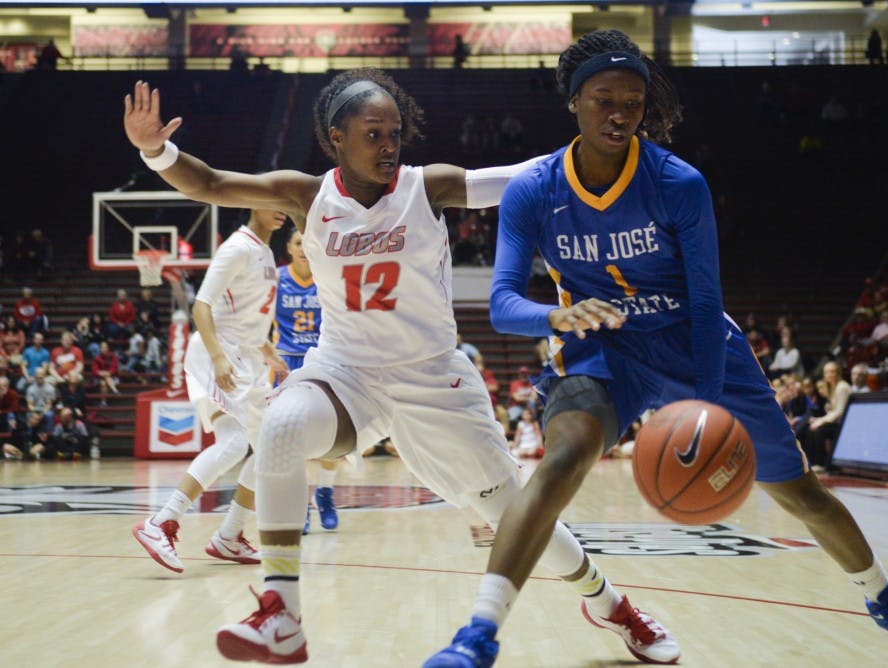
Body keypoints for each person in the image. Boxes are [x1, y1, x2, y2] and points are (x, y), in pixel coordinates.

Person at [123, 70, 673, 666]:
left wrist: (596, 146)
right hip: (346, 371)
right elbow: (209, 183)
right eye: (373, 134)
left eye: (395, 133)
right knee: (279, 427)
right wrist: (155, 149)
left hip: (432, 376)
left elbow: (519, 177)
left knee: (513, 511)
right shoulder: (307, 195)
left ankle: (609, 603)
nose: (389, 146)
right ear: (337, 138)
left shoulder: (425, 187)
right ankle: (281, 613)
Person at [474, 28, 888, 666]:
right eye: (604, 98)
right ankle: (480, 632)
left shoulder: (678, 182)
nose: (621, 112)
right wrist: (559, 317)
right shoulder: (533, 189)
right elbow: (503, 307)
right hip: (605, 351)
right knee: (561, 461)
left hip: (697, 343)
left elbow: (707, 304)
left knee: (800, 493)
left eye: (633, 99)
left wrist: (706, 410)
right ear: (573, 101)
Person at [131, 207, 289, 574]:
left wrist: (266, 350)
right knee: (235, 444)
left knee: (268, 449)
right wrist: (218, 358)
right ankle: (161, 523)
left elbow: (247, 315)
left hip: (245, 356)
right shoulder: (237, 247)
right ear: (253, 205)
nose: (280, 208)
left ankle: (229, 535)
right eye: (272, 201)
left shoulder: (265, 252)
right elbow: (202, 306)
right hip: (217, 354)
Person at [273, 228, 338, 533]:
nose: (303, 249)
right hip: (285, 363)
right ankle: (301, 506)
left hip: (322, 360)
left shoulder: (329, 277)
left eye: (307, 244)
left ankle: (325, 493)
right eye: (298, 243)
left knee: (332, 439)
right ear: (288, 247)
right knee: (292, 440)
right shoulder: (274, 279)